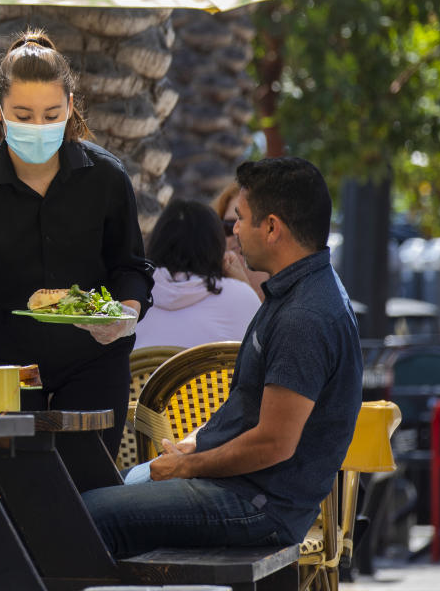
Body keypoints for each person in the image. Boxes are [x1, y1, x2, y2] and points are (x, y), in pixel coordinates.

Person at [83, 156, 363, 557]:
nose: (232, 230)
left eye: (242, 218)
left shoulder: (304, 315)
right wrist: (192, 451)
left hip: (256, 508)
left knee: (83, 515)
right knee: (78, 501)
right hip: (237, 490)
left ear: (271, 228)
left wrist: (187, 466)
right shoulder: (299, 291)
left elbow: (274, 444)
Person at [0, 29, 154, 454]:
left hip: (95, 360)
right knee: (16, 492)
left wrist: (127, 314)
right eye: (24, 115)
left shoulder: (105, 178)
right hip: (4, 368)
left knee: (92, 491)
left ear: (70, 107)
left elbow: (131, 267)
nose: (38, 127)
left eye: (51, 115)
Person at [133, 198, 260, 350]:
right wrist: (244, 285)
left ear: (156, 243)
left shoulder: (130, 297)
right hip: (211, 374)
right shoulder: (240, 296)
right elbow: (264, 352)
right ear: (216, 247)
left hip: (143, 373)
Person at [212, 181, 268, 301]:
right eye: (228, 225)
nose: (236, 232)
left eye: (248, 223)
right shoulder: (207, 293)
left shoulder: (298, 297)